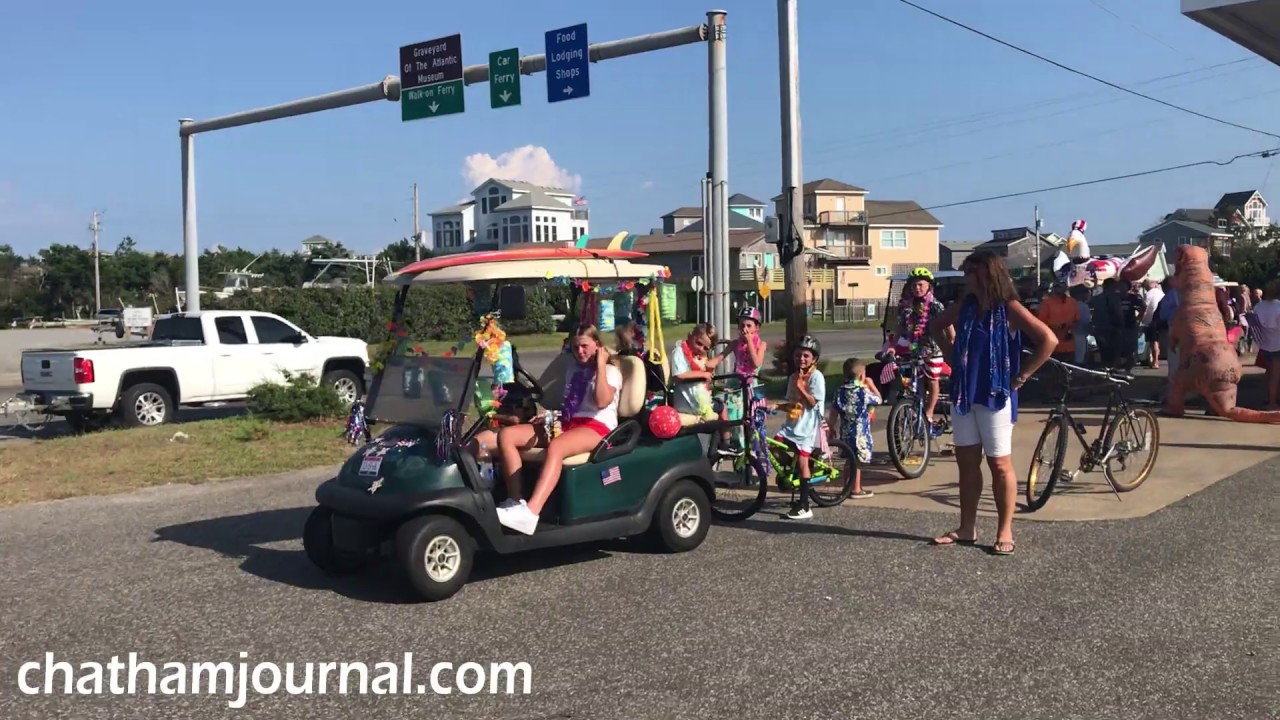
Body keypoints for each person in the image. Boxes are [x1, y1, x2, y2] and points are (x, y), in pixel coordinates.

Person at [929, 250, 1057, 556]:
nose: (965, 278)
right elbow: (936, 325)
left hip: (996, 394)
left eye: (970, 272)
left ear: (986, 274)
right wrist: (950, 355)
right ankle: (966, 528)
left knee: (999, 463)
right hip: (964, 393)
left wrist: (1022, 375)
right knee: (967, 462)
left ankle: (1004, 529)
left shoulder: (1009, 308)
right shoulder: (966, 306)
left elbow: (1048, 340)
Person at [495, 324, 623, 535]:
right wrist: (551, 415)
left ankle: (531, 513)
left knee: (557, 446)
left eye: (584, 346)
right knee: (507, 435)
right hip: (569, 422)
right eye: (575, 347)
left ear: (598, 346)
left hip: (597, 427)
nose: (580, 352)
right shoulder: (573, 368)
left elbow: (601, 402)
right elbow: (571, 404)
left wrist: (600, 365)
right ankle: (517, 503)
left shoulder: (610, 371)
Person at [885, 267, 952, 425]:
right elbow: (901, 327)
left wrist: (950, 347)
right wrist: (893, 345)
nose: (917, 288)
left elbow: (950, 331)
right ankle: (917, 411)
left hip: (933, 350)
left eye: (920, 285)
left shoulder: (936, 305)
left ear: (929, 286)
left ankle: (928, 414)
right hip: (914, 349)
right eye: (914, 285)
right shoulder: (907, 306)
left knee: (932, 381)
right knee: (916, 382)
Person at [770, 335, 826, 520]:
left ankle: (804, 505)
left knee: (803, 463)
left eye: (806, 356)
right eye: (798, 355)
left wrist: (801, 387)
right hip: (792, 425)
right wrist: (776, 406)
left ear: (814, 359)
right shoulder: (794, 377)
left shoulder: (817, 377)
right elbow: (791, 404)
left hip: (808, 427)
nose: (801, 359)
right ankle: (793, 473)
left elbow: (811, 403)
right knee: (773, 448)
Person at [716, 307, 767, 453]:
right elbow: (718, 359)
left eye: (749, 325)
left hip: (751, 387)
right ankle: (729, 442)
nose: (744, 329)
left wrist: (750, 342)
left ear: (757, 327)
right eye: (742, 325)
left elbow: (756, 363)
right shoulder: (735, 344)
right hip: (735, 383)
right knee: (725, 409)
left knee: (750, 421)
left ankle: (750, 449)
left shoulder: (761, 345)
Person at [830, 357, 880, 499]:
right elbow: (879, 399)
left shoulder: (840, 391)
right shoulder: (863, 392)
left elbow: (834, 411)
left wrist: (831, 426)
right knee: (856, 462)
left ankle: (847, 486)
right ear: (861, 375)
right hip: (860, 434)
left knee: (848, 460)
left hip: (845, 433)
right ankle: (856, 489)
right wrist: (870, 385)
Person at [668, 323, 719, 419]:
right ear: (690, 336)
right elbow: (680, 375)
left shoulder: (699, 358)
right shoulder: (679, 351)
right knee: (722, 407)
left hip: (698, 401)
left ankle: (720, 433)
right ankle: (727, 434)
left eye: (705, 348)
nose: (700, 349)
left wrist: (709, 370)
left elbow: (707, 377)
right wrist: (703, 374)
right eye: (698, 343)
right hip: (687, 403)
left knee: (720, 403)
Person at [1036, 281, 1080, 362]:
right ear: (1053, 288)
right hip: (1052, 344)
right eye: (1057, 286)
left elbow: (1076, 319)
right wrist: (1056, 327)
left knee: (1069, 368)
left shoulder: (1072, 302)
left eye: (1062, 286)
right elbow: (1040, 322)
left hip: (1069, 345)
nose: (1060, 289)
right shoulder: (1046, 303)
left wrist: (1069, 328)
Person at [1141, 279, 1164, 369]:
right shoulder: (1161, 293)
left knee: (1154, 341)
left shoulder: (1148, 294)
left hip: (1152, 320)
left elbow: (1144, 308)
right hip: (1162, 318)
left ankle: (1155, 361)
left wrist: (1140, 318)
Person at [1069, 285, 1093, 366]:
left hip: (1067, 337)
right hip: (1079, 336)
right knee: (1079, 361)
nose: (1088, 295)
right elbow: (1086, 324)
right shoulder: (1083, 306)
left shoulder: (1067, 304)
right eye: (1086, 293)